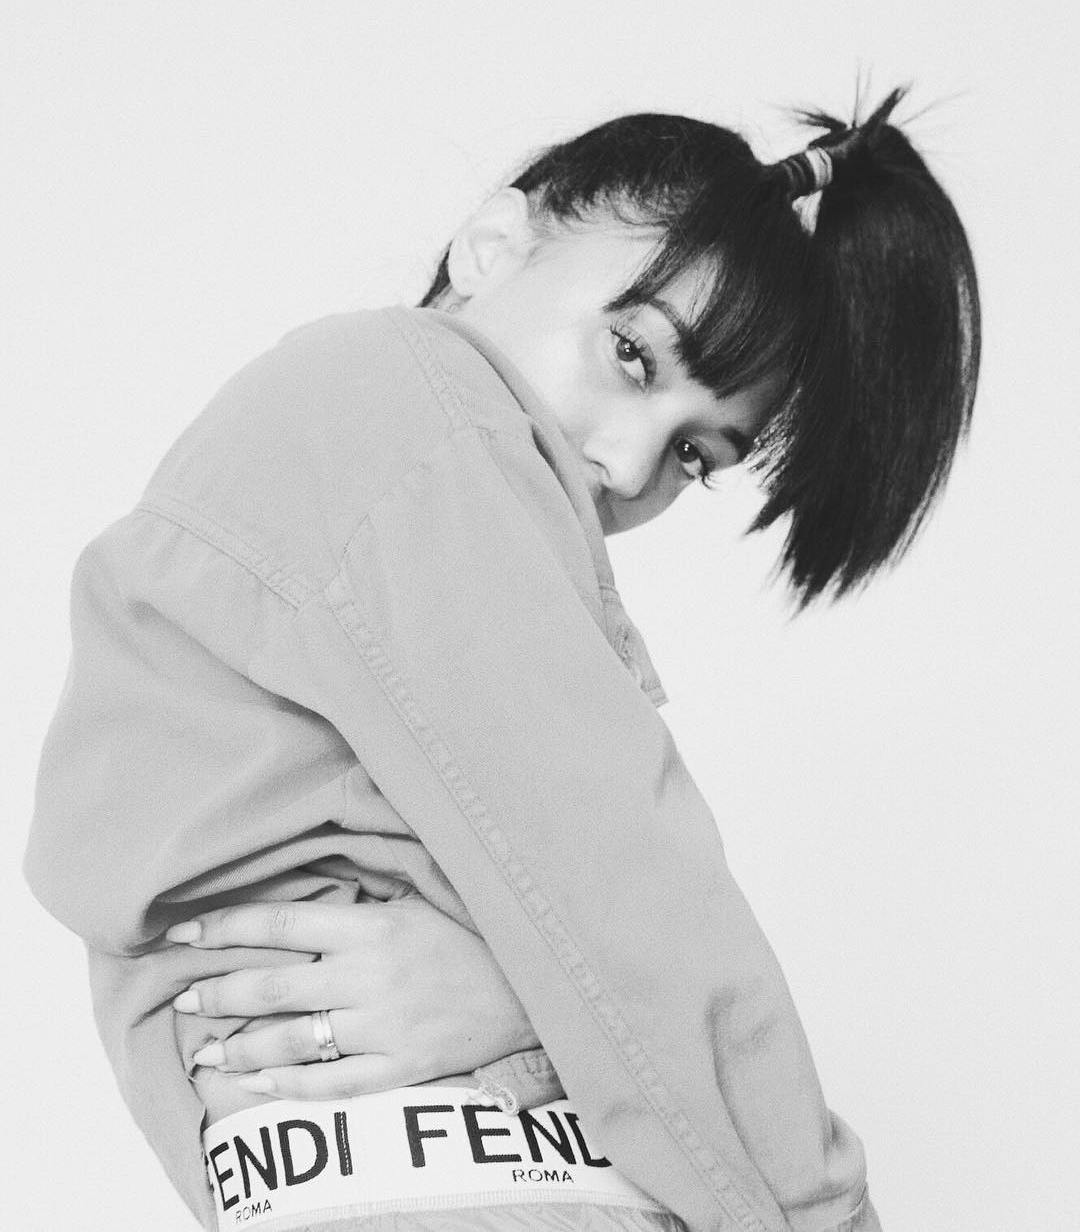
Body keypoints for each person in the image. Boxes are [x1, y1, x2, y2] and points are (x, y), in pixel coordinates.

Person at [25, 87, 979, 1232]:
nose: (630, 466)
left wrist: (525, 1000)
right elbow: (621, 882)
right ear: (492, 244)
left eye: (695, 453)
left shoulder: (353, 468)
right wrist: (828, 1214)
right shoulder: (404, 407)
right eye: (632, 355)